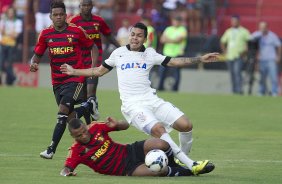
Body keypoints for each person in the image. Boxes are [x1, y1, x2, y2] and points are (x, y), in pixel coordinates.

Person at [60, 22, 219, 174]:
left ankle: (181, 159)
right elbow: (98, 71)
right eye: (133, 35)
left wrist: (200, 59)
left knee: (186, 125)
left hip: (152, 100)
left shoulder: (149, 54)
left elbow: (173, 62)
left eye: (139, 36)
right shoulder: (119, 53)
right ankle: (191, 164)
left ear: (145, 38)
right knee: (159, 130)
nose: (135, 38)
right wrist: (74, 72)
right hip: (133, 106)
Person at [29, 1, 98, 159]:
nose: (59, 17)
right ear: (50, 16)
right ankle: (88, 107)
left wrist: (93, 69)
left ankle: (51, 149)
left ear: (66, 16)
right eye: (55, 15)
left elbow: (92, 46)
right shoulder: (46, 34)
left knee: (62, 113)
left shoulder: (76, 31)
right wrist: (34, 63)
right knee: (70, 118)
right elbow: (38, 54)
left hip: (76, 78)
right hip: (57, 82)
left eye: (61, 14)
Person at [60, 118, 214, 176]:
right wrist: (67, 173)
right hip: (126, 169)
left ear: (86, 127)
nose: (84, 135)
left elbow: (125, 125)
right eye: (79, 135)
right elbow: (66, 169)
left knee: (161, 143)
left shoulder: (95, 127)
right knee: (157, 171)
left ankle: (175, 163)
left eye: (84, 131)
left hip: (130, 150)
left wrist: (117, 124)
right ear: (73, 136)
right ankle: (190, 171)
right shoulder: (75, 151)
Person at [68, 0, 121, 122]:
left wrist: (121, 48)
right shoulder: (73, 21)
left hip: (95, 59)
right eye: (83, 5)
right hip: (79, 61)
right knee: (84, 98)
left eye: (88, 5)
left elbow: (109, 36)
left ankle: (91, 112)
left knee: (90, 93)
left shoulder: (99, 20)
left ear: (92, 6)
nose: (85, 8)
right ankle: (90, 123)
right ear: (79, 7)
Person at [220, 15, 251, 94]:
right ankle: (234, 90)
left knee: (237, 72)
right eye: (232, 21)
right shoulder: (228, 31)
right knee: (232, 74)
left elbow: (249, 43)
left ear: (238, 22)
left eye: (235, 21)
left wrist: (245, 52)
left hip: (239, 56)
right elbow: (222, 41)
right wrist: (225, 51)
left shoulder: (244, 31)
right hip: (229, 56)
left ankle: (239, 90)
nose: (233, 23)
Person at [251, 21, 281, 97]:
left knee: (273, 77)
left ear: (267, 27)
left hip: (271, 59)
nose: (262, 29)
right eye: (261, 27)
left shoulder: (272, 36)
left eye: (264, 27)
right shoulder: (256, 35)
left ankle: (274, 91)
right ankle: (261, 91)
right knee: (262, 77)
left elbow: (279, 46)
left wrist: (278, 56)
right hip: (261, 59)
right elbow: (249, 42)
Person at [158, 15, 187, 91]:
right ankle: (160, 87)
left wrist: (168, 39)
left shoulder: (183, 29)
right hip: (166, 53)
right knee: (162, 71)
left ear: (180, 22)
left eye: (177, 20)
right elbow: (162, 40)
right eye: (174, 20)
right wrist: (173, 40)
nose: (175, 22)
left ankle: (175, 89)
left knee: (176, 72)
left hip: (177, 53)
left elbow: (178, 40)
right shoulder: (168, 29)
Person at [0, 6, 22, 85]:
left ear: (14, 14)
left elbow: (15, 35)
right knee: (1, 64)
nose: (10, 14)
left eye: (12, 13)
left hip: (11, 45)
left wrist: (7, 32)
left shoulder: (18, 22)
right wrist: (10, 33)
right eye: (9, 13)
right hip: (3, 44)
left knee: (9, 64)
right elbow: (2, 32)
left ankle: (11, 80)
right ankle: (14, 78)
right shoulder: (3, 21)